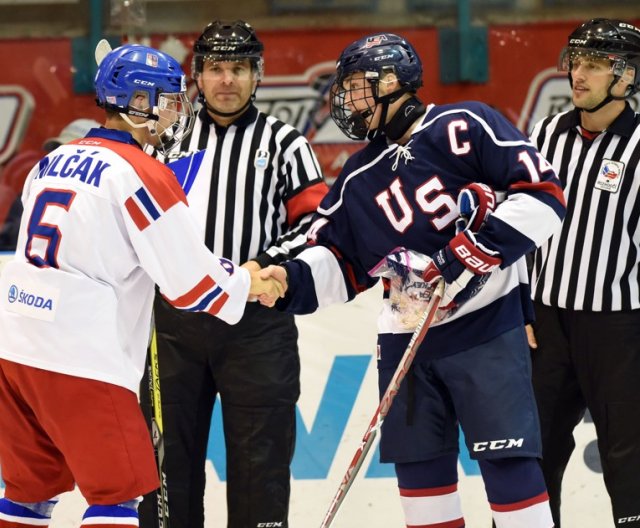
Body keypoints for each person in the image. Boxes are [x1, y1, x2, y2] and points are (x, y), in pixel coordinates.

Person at [258, 32, 567, 527]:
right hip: (406, 341)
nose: (348, 100)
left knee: (509, 468)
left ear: (392, 82)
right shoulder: (359, 176)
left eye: (357, 86)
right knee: (421, 480)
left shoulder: (464, 125)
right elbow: (341, 263)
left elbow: (545, 195)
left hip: (485, 328)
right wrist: (288, 281)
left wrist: (474, 250)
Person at [0, 42, 280, 528]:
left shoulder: (50, 163)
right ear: (138, 102)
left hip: (14, 350)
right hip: (80, 359)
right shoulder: (141, 173)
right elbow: (193, 286)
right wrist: (249, 281)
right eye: (168, 100)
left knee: (29, 491)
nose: (176, 111)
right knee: (117, 495)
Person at [137, 20, 328, 528]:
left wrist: (261, 265)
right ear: (197, 74)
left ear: (257, 74)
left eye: (239, 68)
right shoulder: (164, 138)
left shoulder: (286, 143)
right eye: (216, 68)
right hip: (172, 326)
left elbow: (314, 224)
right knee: (165, 467)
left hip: (257, 323)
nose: (227, 80)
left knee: (259, 465)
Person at [528, 18, 640, 528]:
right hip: (546, 321)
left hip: (620, 327)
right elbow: (518, 225)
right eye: (576, 61)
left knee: (628, 457)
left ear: (626, 77)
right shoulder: (546, 133)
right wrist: (519, 304)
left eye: (595, 65)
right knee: (533, 451)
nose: (578, 74)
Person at [0, 118, 103, 251]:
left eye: (73, 153)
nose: (58, 157)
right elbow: (10, 240)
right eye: (56, 149)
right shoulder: (33, 189)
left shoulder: (104, 199)